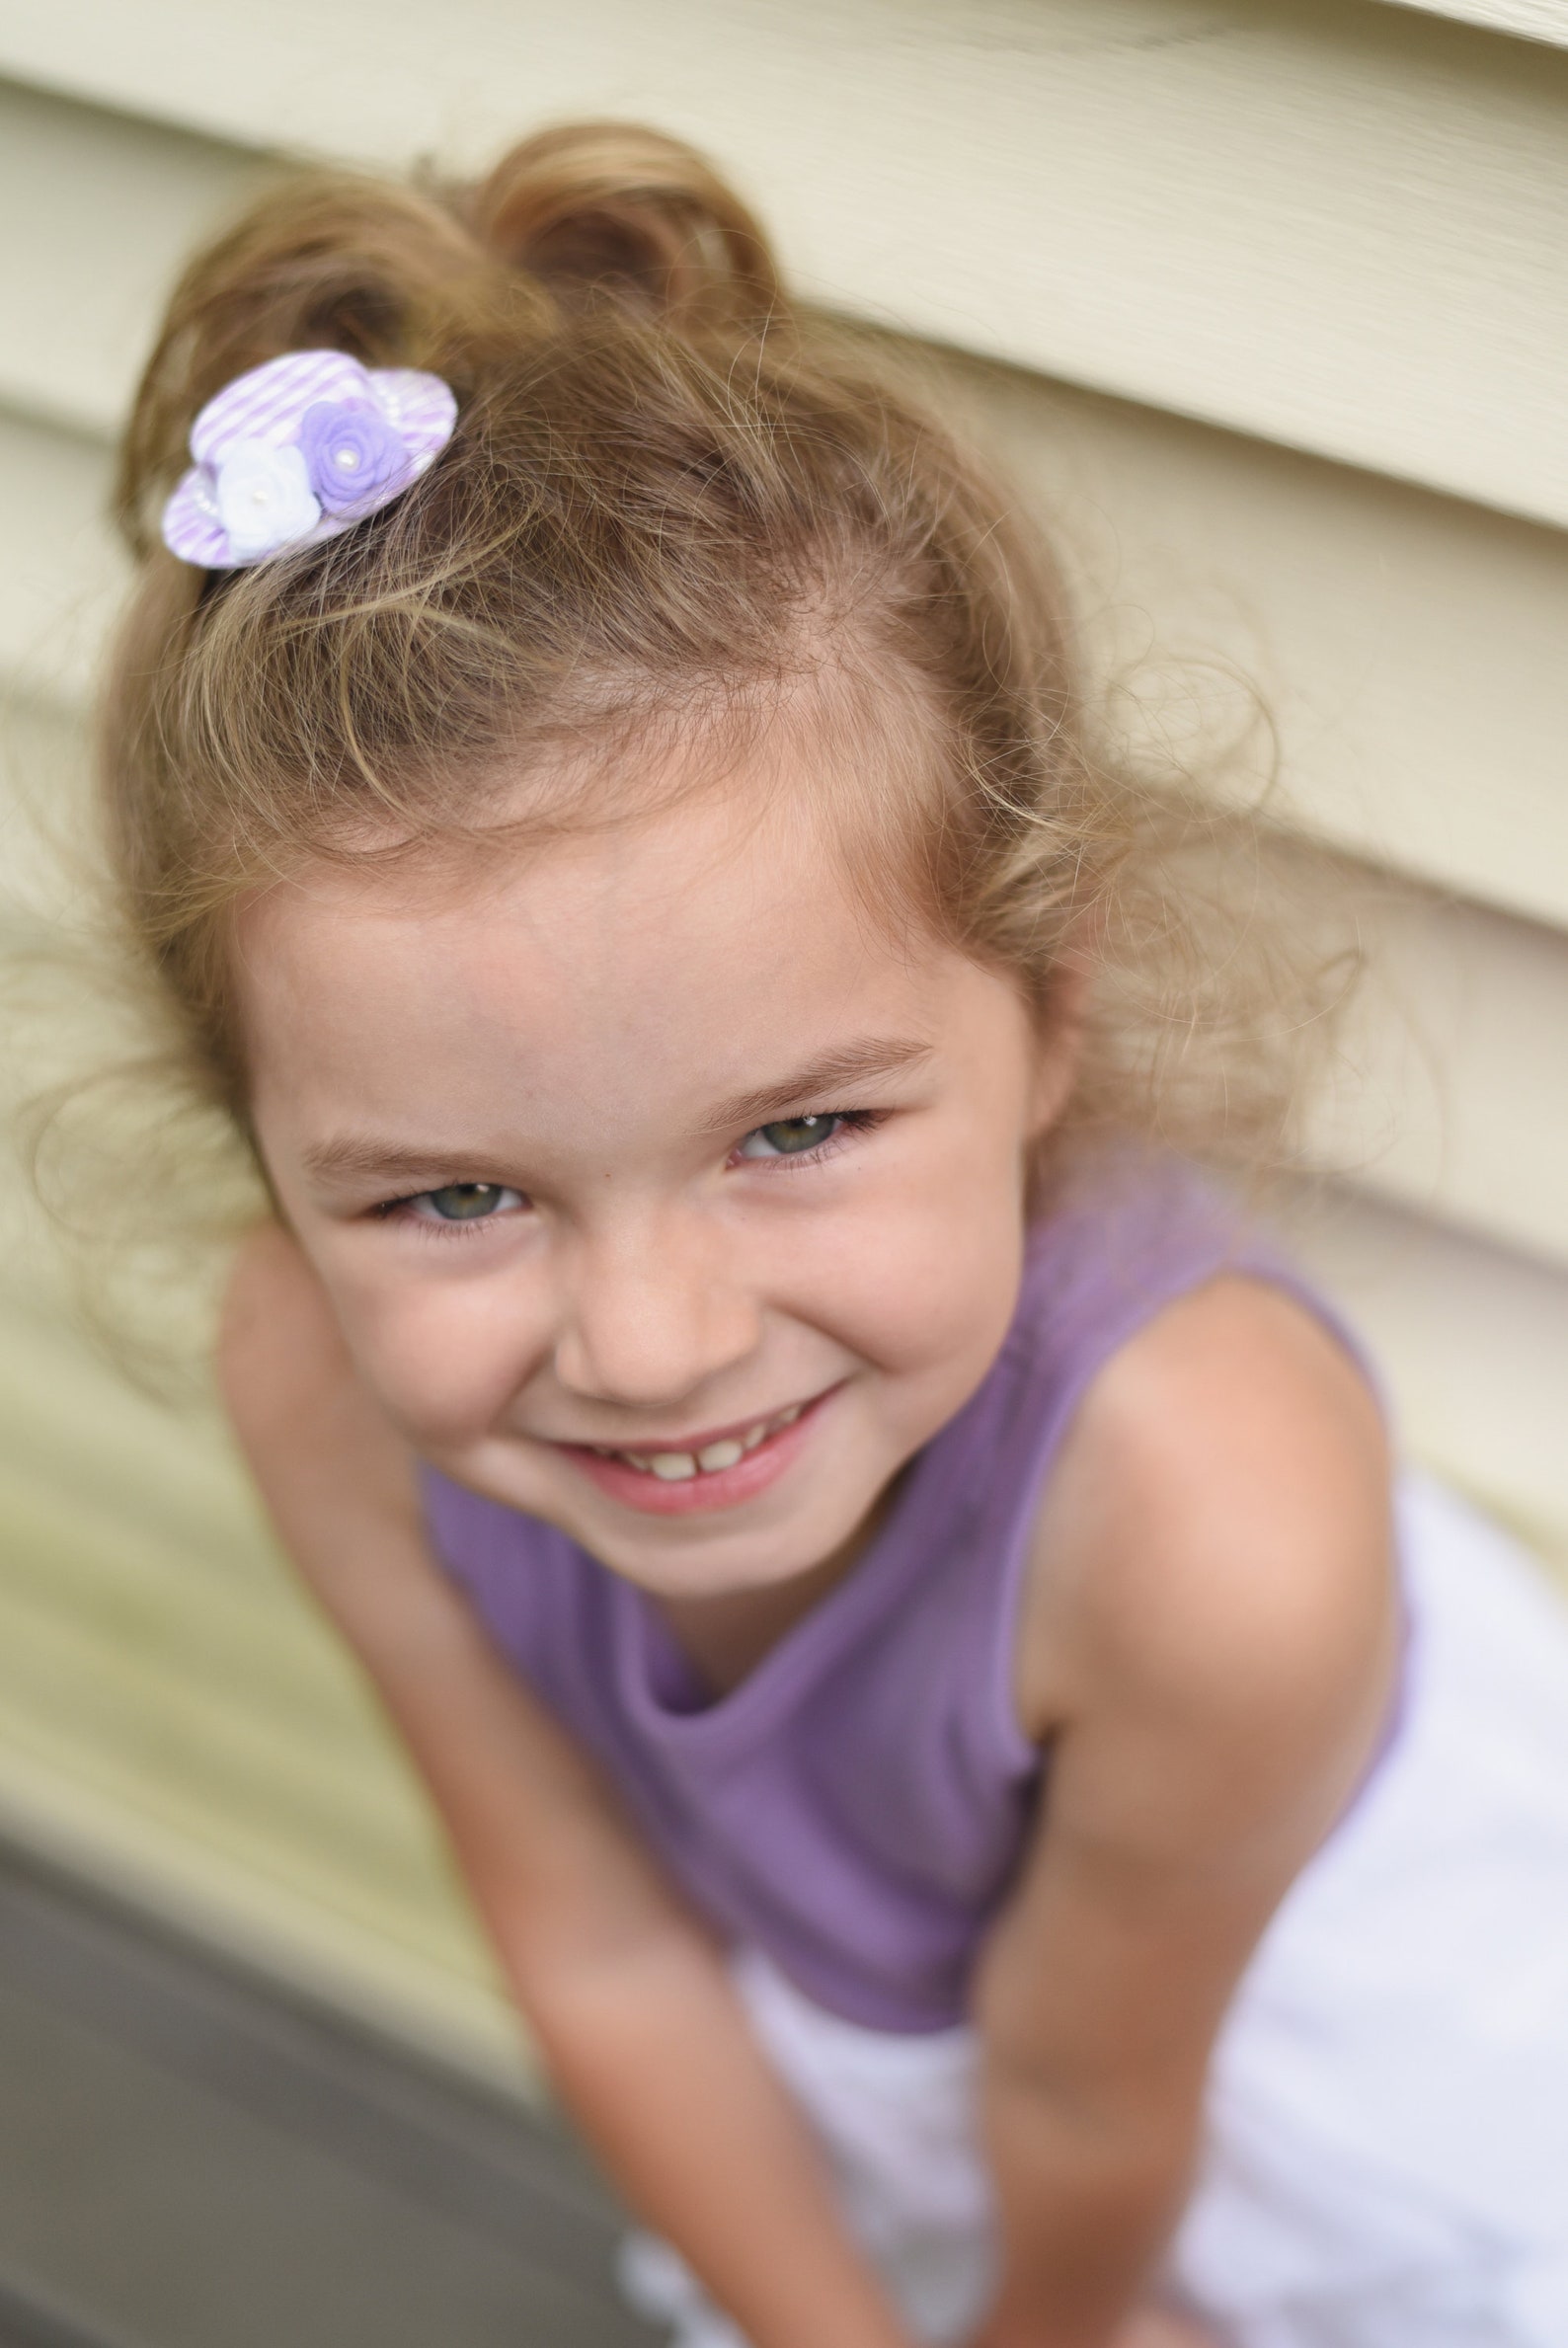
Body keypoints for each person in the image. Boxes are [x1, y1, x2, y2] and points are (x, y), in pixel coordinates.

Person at [98, 121, 1568, 2348]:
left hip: (1305, 2051)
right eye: (457, 1193)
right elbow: (599, 1942)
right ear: (266, 1147)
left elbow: (1089, 2102)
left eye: (793, 1128)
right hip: (920, 2050)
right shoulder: (310, 1368)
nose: (654, 1341)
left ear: (1047, 1011)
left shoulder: (1213, 1522)